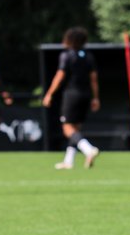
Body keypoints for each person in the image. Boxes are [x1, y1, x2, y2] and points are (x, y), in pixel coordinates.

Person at [42, 27, 100, 169]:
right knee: (75, 129)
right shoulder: (88, 56)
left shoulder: (66, 55)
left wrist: (49, 93)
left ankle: (88, 149)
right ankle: (69, 161)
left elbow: (60, 76)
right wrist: (96, 98)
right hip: (86, 95)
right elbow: (94, 79)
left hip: (72, 95)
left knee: (68, 129)